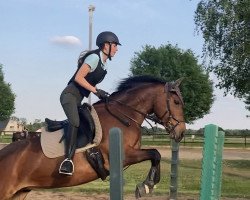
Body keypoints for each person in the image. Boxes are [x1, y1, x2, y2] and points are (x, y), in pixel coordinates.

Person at [59, 31, 121, 175]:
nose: (117, 49)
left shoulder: (104, 65)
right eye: (115, 46)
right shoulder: (94, 58)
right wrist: (96, 91)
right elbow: (79, 78)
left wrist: (101, 94)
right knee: (75, 122)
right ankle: (67, 160)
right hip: (69, 96)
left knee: (89, 124)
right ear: (106, 45)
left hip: (78, 99)